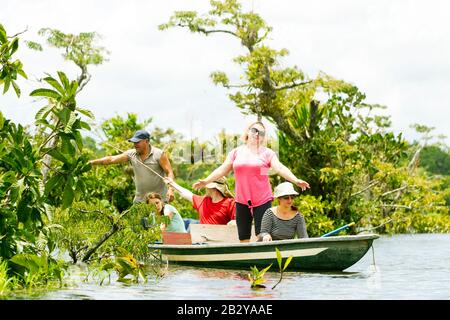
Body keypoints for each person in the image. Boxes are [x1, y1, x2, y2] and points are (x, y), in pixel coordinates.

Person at [193, 121, 310, 243]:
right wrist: (206, 181)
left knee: (263, 235)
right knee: (243, 236)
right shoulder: (236, 152)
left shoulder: (268, 153)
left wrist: (296, 180)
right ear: (248, 132)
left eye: (262, 133)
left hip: (262, 200)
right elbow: (222, 169)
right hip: (241, 200)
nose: (257, 134)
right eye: (254, 130)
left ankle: (266, 259)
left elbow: (279, 168)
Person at [89, 129, 175, 203]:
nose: (135, 144)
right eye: (134, 142)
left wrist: (171, 189)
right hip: (140, 201)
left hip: (159, 202)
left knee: (160, 223)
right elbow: (111, 159)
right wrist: (91, 162)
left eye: (138, 142)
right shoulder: (131, 154)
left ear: (147, 141)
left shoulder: (159, 154)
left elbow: (169, 172)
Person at [164, 176, 236, 230]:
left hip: (223, 244)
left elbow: (239, 223)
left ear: (214, 189)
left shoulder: (230, 203)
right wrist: (172, 183)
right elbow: (185, 193)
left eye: (207, 186)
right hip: (203, 243)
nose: (205, 188)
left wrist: (234, 223)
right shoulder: (203, 201)